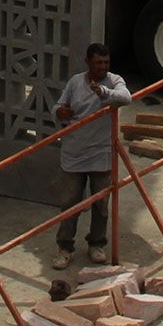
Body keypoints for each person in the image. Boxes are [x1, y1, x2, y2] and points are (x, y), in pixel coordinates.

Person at [52, 42, 133, 259]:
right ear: (88, 62)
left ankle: (97, 244)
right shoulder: (75, 82)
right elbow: (57, 106)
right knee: (70, 204)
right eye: (98, 63)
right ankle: (65, 247)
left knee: (101, 204)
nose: (102, 67)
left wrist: (104, 92)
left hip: (100, 154)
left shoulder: (114, 81)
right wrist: (61, 112)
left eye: (106, 62)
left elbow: (126, 98)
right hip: (74, 153)